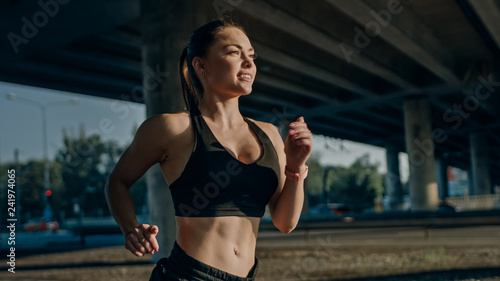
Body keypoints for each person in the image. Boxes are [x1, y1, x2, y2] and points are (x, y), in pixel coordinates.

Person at [104, 18, 312, 281]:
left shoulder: (269, 134)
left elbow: (285, 223)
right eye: (234, 53)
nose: (248, 63)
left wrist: (295, 166)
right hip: (188, 275)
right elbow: (117, 181)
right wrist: (130, 228)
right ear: (200, 65)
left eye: (251, 56)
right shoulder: (171, 128)